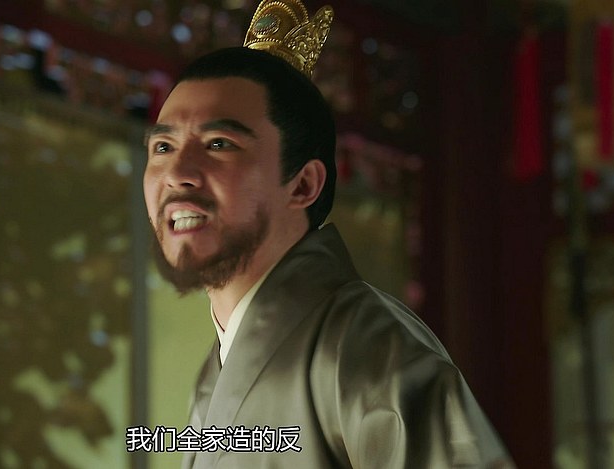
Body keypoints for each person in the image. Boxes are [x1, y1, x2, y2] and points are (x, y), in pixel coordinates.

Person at [142, 0, 513, 467]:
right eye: (163, 147)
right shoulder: (214, 372)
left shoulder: (365, 342)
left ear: (303, 185)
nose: (177, 174)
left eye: (219, 144)